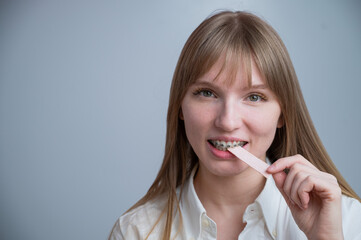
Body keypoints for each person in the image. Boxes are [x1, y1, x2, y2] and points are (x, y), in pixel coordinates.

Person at [109, 11, 361, 240]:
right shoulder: (137, 231)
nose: (227, 122)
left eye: (254, 97)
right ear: (180, 107)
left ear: (283, 114)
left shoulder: (348, 222)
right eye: (207, 93)